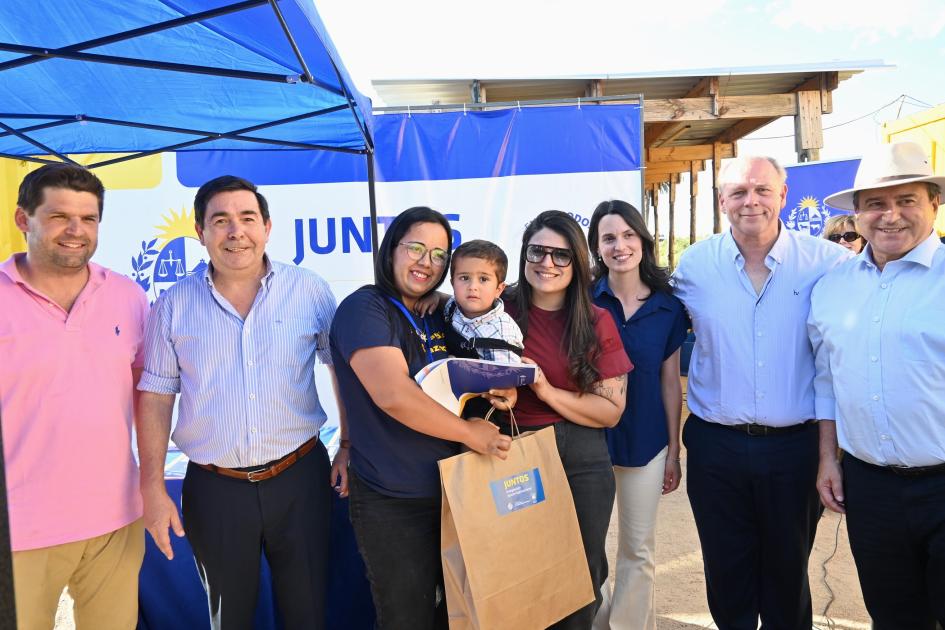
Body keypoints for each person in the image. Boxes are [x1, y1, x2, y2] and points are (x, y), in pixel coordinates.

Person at [136, 175, 346, 630]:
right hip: (215, 488)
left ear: (267, 227)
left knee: (307, 612)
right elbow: (155, 396)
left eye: (247, 218)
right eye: (221, 221)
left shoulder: (309, 290)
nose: (236, 232)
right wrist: (151, 484)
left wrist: (347, 445)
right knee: (228, 618)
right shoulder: (172, 305)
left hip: (300, 477)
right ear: (200, 232)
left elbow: (341, 369)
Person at [672, 155, 848, 630]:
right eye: (739, 192)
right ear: (721, 201)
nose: (751, 201)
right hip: (716, 446)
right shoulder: (693, 266)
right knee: (726, 575)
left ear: (783, 196)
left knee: (788, 577)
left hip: (796, 447)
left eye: (762, 190)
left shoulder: (830, 264)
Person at [329, 207, 513, 630]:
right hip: (394, 498)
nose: (425, 262)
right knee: (406, 617)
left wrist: (505, 387)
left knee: (463, 614)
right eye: (415, 247)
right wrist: (470, 433)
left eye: (438, 254)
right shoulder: (365, 309)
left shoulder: (445, 312)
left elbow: (489, 355)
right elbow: (393, 395)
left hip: (459, 491)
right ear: (391, 248)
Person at [0, 164, 148, 629]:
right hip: (18, 529)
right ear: (24, 219)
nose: (75, 231)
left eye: (88, 218)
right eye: (60, 216)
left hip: (116, 521)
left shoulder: (127, 295)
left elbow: (148, 395)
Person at [809, 141, 945, 630]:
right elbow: (827, 380)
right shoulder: (834, 286)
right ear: (858, 215)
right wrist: (829, 458)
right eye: (876, 204)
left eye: (907, 200)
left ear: (934, 202)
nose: (891, 216)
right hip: (870, 489)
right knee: (892, 617)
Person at [504, 209, 632, 629]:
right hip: (511, 452)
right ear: (523, 256)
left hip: (579, 457)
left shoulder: (596, 321)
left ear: (578, 263)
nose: (547, 263)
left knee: (579, 577)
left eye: (561, 255)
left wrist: (545, 391)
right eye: (537, 251)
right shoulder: (497, 308)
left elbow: (611, 411)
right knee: (514, 574)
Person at [588, 200, 688, 630]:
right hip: (587, 441)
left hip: (647, 442)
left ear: (643, 242)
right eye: (609, 237)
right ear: (596, 246)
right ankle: (593, 621)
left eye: (629, 235)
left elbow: (671, 382)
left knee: (638, 548)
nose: (620, 245)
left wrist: (673, 451)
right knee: (587, 547)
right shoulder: (582, 299)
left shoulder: (668, 308)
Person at [444, 238, 524, 364]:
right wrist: (432, 298)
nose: (472, 286)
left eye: (483, 279)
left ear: (499, 289)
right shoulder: (451, 306)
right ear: (452, 283)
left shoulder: (503, 332)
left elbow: (505, 380)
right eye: (464, 278)